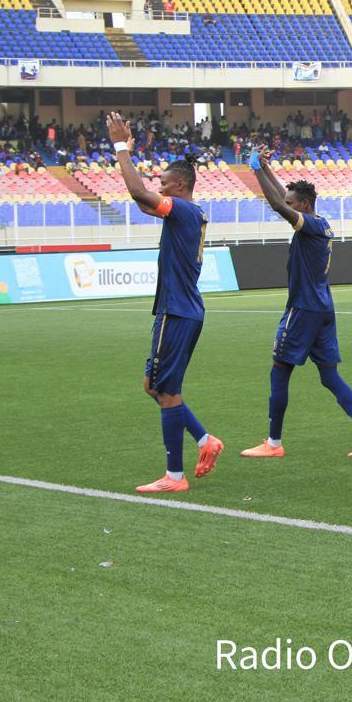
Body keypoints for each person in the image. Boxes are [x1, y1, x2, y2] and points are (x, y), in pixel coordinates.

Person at [105, 112, 224, 494]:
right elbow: (143, 201)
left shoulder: (184, 210)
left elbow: (140, 195)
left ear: (181, 185)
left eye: (165, 183)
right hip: (179, 310)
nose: (160, 187)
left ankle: (175, 476)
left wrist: (121, 147)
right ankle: (205, 440)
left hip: (178, 311)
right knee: (153, 386)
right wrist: (130, 159)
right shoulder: (187, 212)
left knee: (168, 392)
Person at [241, 147, 352, 461]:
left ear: (304, 205)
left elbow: (279, 203)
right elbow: (284, 196)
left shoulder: (310, 226)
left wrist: (254, 170)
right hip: (322, 307)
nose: (289, 208)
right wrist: (265, 169)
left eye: (295, 205)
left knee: (280, 370)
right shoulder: (319, 223)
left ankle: (273, 442)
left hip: (303, 308)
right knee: (329, 376)